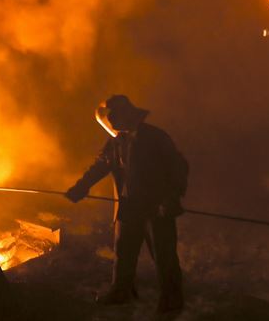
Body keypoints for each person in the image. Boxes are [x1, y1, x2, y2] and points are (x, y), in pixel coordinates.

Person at [65, 94, 186, 313]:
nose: (111, 121)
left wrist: (171, 198)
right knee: (123, 253)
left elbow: (178, 167)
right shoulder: (117, 142)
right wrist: (81, 187)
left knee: (164, 255)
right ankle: (122, 291)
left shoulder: (155, 138)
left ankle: (172, 299)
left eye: (115, 117)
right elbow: (100, 166)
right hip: (129, 208)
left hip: (156, 209)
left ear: (128, 116)